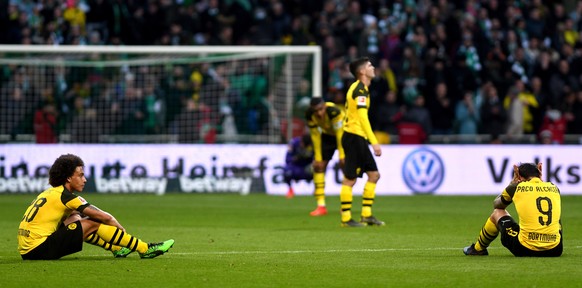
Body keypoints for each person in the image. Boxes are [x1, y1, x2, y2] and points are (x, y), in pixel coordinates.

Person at [17, 154, 174, 260]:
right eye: (80, 175)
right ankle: (145, 249)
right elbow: (105, 217)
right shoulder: (67, 197)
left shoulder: (51, 193)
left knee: (76, 218)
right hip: (39, 249)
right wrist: (122, 232)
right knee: (92, 222)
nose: (84, 179)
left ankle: (116, 249)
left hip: (28, 249)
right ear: (69, 178)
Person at [464, 162, 562, 257]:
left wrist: (512, 184)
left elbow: (497, 205)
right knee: (555, 216)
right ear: (539, 174)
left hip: (524, 248)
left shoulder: (516, 187)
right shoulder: (554, 187)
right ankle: (551, 240)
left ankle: (478, 249)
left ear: (518, 176)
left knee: (497, 213)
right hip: (555, 249)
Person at [340, 57, 385, 227]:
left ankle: (366, 215)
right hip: (354, 137)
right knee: (350, 179)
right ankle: (346, 219)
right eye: (369, 66)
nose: (373, 67)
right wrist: (374, 142)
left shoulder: (360, 88)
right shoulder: (360, 90)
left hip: (356, 137)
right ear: (361, 72)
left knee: (374, 175)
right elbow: (362, 118)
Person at [304, 97, 345, 216]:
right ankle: (321, 206)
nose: (319, 113)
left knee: (345, 165)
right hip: (327, 136)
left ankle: (345, 205)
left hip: (345, 133)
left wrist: (342, 155)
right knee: (318, 166)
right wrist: (317, 157)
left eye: (321, 109)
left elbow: (340, 133)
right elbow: (315, 135)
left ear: (325, 107)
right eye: (316, 111)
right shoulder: (309, 114)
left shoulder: (334, 111)